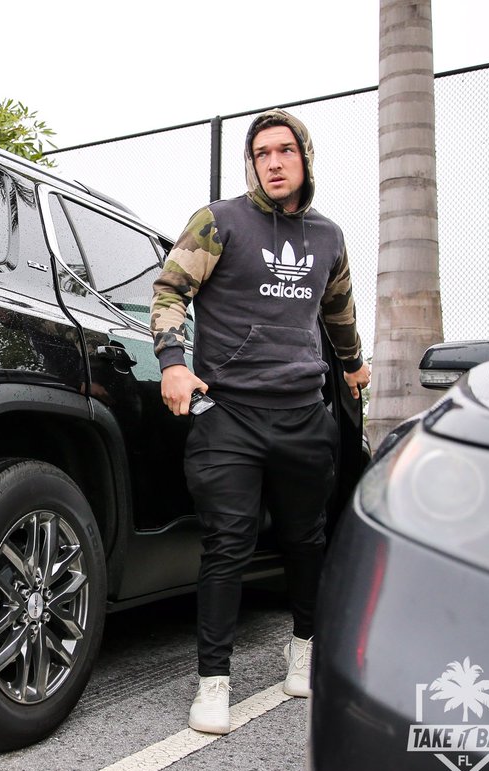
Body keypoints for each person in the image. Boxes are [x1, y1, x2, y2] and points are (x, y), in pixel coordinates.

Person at [149, 108, 371, 735]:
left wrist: (353, 367)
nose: (272, 162)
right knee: (228, 542)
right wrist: (172, 361)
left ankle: (304, 645)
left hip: (304, 414)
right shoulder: (219, 222)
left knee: (307, 540)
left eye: (284, 152)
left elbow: (339, 310)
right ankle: (213, 681)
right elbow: (169, 291)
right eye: (261, 153)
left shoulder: (328, 237)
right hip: (231, 416)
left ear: (304, 159)